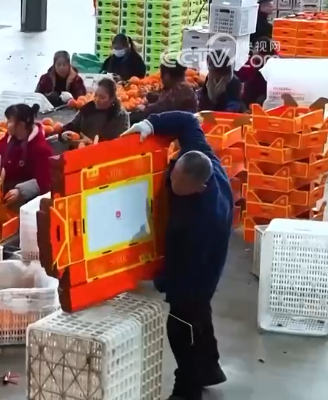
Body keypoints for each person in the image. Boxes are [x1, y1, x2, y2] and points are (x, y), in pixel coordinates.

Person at [121, 111, 232, 400]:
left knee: (183, 322)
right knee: (199, 314)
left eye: (181, 188)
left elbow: (182, 272)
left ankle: (187, 388)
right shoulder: (199, 152)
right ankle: (209, 368)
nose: (173, 186)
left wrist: (155, 278)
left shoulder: (204, 220)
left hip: (203, 266)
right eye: (173, 177)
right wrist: (149, 124)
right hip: (191, 255)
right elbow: (187, 121)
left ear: (200, 188)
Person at [0, 104, 52, 207]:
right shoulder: (9, 139)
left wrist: (20, 191)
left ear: (21, 125)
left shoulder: (40, 149)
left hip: (24, 203)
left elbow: (45, 181)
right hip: (2, 194)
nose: (6, 124)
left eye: (10, 121)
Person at [58, 78, 129, 148]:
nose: (97, 100)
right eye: (96, 95)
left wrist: (91, 143)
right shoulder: (87, 109)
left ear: (112, 99)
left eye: (102, 97)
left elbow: (120, 144)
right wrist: (64, 134)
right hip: (81, 151)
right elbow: (72, 126)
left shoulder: (120, 116)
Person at [130, 63, 199, 121]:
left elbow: (158, 108)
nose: (161, 78)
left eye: (162, 74)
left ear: (167, 75)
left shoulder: (181, 90)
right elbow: (162, 96)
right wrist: (149, 96)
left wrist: (142, 108)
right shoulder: (177, 87)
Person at [237, 37, 276, 107]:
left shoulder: (268, 67)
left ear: (259, 52)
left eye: (254, 48)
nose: (252, 51)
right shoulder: (256, 61)